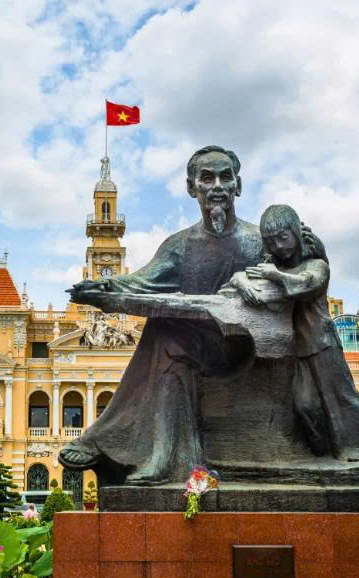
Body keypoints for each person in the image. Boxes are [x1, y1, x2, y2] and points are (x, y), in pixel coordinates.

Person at [60, 146, 326, 485]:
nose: (217, 186)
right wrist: (104, 289)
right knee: (165, 331)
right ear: (191, 188)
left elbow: (304, 272)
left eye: (225, 177)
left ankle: (113, 442)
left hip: (253, 346)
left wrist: (313, 249)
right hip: (204, 349)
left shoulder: (261, 242)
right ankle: (163, 456)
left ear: (238, 186)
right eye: (207, 178)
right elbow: (140, 282)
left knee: (167, 334)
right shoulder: (179, 245)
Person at [229, 204, 359, 461]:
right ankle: (322, 452)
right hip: (296, 348)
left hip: (322, 344)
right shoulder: (277, 269)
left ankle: (357, 448)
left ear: (296, 233)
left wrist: (275, 275)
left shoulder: (316, 266)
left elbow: (307, 284)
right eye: (271, 242)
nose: (279, 246)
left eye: (283, 237)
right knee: (305, 405)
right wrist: (242, 281)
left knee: (341, 397)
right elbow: (242, 277)